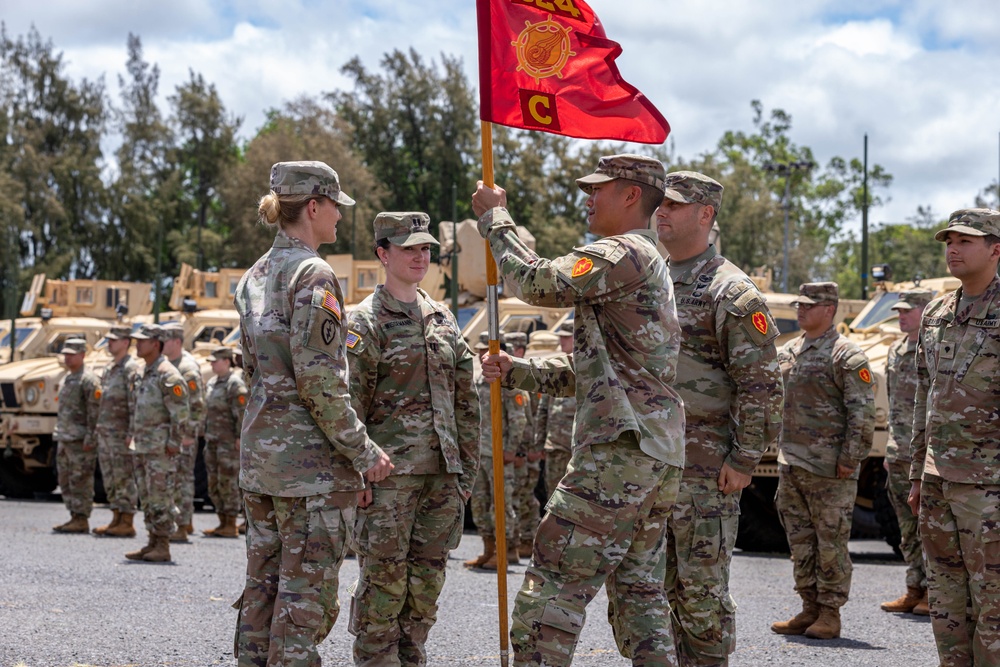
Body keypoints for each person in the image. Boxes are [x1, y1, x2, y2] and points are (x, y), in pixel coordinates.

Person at [474, 153, 686, 667]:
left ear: (631, 196)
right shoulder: (645, 260)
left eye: (599, 189)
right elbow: (599, 370)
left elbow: (539, 283)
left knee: (552, 589)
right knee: (638, 593)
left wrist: (495, 219)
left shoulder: (620, 252)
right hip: (652, 453)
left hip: (617, 456)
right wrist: (521, 371)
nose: (587, 198)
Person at [233, 161, 392, 667]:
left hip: (261, 462)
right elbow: (320, 382)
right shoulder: (313, 273)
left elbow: (253, 369)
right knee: (304, 603)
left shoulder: (254, 274)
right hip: (310, 472)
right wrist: (363, 451)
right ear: (314, 207)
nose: (341, 219)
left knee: (263, 589)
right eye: (335, 208)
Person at [656, 171, 784, 665]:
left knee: (701, 594)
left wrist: (746, 458)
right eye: (660, 204)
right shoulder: (654, 280)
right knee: (650, 591)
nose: (661, 212)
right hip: (651, 462)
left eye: (675, 205)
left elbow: (762, 384)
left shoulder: (731, 292)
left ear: (705, 215)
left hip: (706, 470)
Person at [345, 211, 480, 666]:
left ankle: (411, 659)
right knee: (384, 584)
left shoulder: (442, 317)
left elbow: (467, 400)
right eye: (409, 248)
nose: (421, 256)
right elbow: (351, 402)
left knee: (426, 586)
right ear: (383, 254)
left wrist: (466, 473)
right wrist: (357, 473)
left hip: (441, 477)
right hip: (389, 478)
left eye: (425, 248)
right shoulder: (364, 321)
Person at [907, 208, 1000, 666]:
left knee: (994, 603)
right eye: (949, 241)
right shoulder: (938, 312)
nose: (954, 249)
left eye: (966, 241)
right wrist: (916, 475)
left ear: (995, 249)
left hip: (990, 484)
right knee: (946, 602)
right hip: (939, 478)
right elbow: (926, 394)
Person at [771, 282, 875, 640]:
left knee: (830, 542)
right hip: (792, 463)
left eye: (809, 305)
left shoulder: (845, 355)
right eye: (799, 304)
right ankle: (809, 607)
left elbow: (862, 412)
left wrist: (850, 458)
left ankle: (830, 613)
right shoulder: (789, 351)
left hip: (830, 468)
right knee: (801, 541)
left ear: (829, 309)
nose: (801, 310)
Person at [879, 289, 933, 615]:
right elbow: (893, 402)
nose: (900, 316)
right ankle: (914, 587)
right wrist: (889, 449)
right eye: (898, 311)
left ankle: (934, 593)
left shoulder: (935, 349)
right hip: (898, 451)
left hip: (925, 453)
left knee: (929, 527)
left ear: (925, 310)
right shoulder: (895, 351)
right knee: (906, 528)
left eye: (907, 311)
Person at [125, 324, 190, 563]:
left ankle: (163, 545)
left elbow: (181, 413)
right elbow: (138, 409)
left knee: (161, 496)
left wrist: (174, 442)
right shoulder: (144, 372)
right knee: (148, 495)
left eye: (142, 341)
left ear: (155, 343)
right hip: (143, 446)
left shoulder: (167, 374)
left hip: (160, 448)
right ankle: (152, 540)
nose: (137, 344)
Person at [464, 332, 527, 570]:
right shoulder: (480, 380)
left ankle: (505, 551)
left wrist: (511, 449)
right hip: (481, 453)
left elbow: (519, 419)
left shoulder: (508, 380)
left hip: (500, 453)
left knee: (500, 504)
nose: (481, 354)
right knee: (480, 503)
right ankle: (488, 549)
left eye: (485, 349)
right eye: (480, 350)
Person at [93, 325, 141, 538]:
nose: (109, 343)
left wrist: (132, 432)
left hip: (122, 434)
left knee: (123, 477)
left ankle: (127, 520)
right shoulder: (110, 368)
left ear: (125, 343)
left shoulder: (131, 369)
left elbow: (134, 403)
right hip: (107, 434)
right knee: (111, 477)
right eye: (109, 339)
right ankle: (116, 517)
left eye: (114, 340)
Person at [161, 321, 205, 542]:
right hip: (173, 433)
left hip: (183, 435)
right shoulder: (172, 363)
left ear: (176, 341)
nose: (161, 344)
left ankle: (182, 525)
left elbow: (197, 405)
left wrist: (188, 434)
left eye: (165, 340)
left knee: (182, 480)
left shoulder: (186, 368)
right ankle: (183, 522)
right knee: (175, 478)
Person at [51, 338, 101, 534]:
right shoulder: (67, 378)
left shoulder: (89, 380)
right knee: (65, 479)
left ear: (83, 355)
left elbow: (94, 412)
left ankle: (81, 518)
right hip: (65, 437)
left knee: (81, 479)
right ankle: (73, 515)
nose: (68, 357)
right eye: (66, 354)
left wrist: (91, 438)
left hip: (80, 440)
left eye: (72, 354)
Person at [202, 345, 247, 538]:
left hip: (228, 443)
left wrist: (239, 437)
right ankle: (221, 521)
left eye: (215, 361)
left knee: (228, 482)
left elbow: (241, 413)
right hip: (212, 441)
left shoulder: (234, 384)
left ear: (227, 362)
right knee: (213, 482)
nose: (212, 364)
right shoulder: (212, 382)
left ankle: (230, 523)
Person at [505, 330, 543, 559]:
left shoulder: (528, 378)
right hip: (522, 447)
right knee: (518, 496)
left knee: (526, 496)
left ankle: (528, 541)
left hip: (527, 448)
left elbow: (531, 419)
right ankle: (520, 542)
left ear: (519, 350)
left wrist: (526, 449)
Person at [534, 322, 576, 502]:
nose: (562, 340)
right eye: (561, 336)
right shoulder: (556, 370)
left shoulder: (588, 369)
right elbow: (543, 410)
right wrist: (540, 442)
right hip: (555, 447)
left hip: (576, 449)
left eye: (567, 336)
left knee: (575, 498)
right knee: (553, 496)